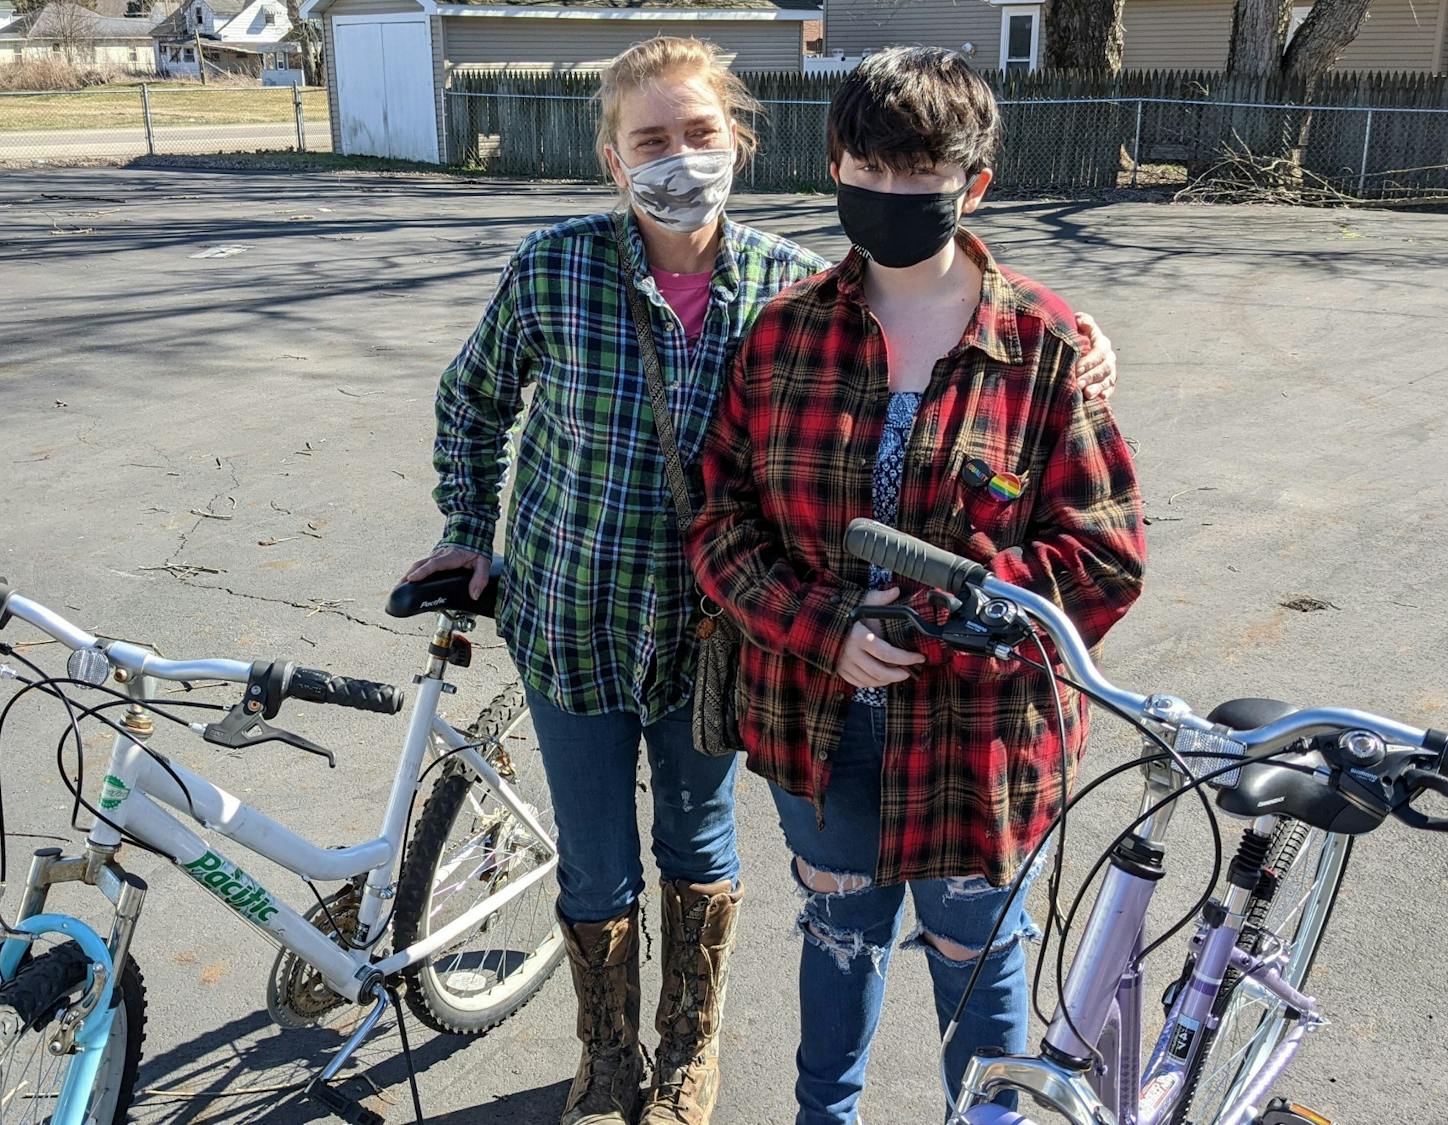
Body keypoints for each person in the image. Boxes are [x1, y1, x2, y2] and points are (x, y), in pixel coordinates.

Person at [402, 36, 1122, 1125]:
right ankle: (608, 1059)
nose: (677, 158)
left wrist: (1076, 340)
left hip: (721, 645)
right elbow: (475, 401)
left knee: (701, 848)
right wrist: (471, 529)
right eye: (650, 140)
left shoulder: (789, 286)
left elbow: (947, 315)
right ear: (611, 158)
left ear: (740, 142)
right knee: (599, 868)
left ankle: (689, 1059)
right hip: (574, 620)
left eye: (699, 134)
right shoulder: (557, 270)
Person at [686, 46, 1148, 1125]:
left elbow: (1103, 555)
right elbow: (719, 520)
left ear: (973, 184)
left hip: (980, 743)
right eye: (867, 169)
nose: (889, 195)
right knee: (839, 942)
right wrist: (825, 627)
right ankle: (823, 1115)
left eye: (920, 174)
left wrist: (932, 623)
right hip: (820, 727)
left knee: (976, 968)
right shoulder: (784, 335)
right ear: (836, 166)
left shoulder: (1044, 347)